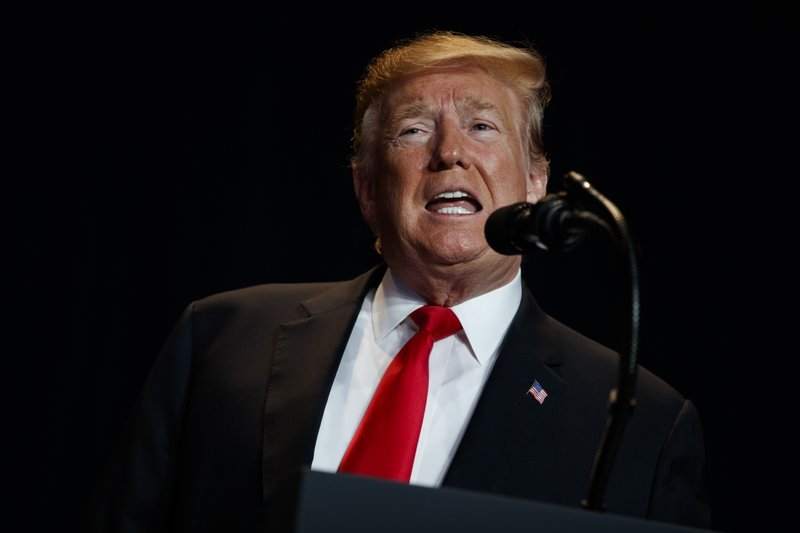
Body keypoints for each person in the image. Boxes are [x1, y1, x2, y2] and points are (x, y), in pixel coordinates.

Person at [87, 30, 711, 532]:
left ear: (536, 181)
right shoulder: (221, 341)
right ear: (365, 188)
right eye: (413, 130)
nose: (449, 153)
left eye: (483, 126)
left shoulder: (642, 424)